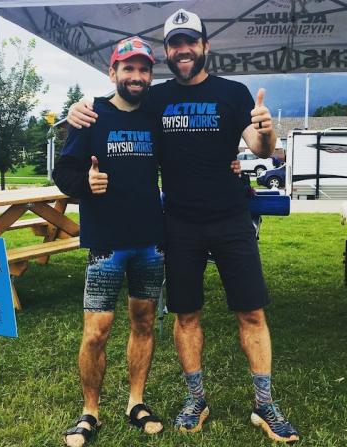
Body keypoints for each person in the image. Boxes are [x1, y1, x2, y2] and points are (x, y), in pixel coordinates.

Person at [67, 9, 300, 444]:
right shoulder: (155, 99)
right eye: (175, 43)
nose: (183, 50)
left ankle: (264, 405)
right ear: (168, 53)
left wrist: (268, 133)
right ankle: (196, 399)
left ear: (205, 46)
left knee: (252, 312)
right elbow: (118, 104)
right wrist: (79, 108)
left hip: (231, 218)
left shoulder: (233, 93)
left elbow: (258, 146)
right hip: (179, 223)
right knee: (186, 315)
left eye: (190, 41)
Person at [52, 36, 165, 447]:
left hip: (150, 242)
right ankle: (90, 412)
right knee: (96, 331)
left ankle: (136, 402)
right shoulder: (91, 115)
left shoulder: (156, 115)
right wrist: (86, 183)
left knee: (144, 323)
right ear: (112, 72)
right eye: (128, 68)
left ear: (150, 75)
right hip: (106, 245)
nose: (136, 76)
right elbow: (63, 172)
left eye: (143, 69)